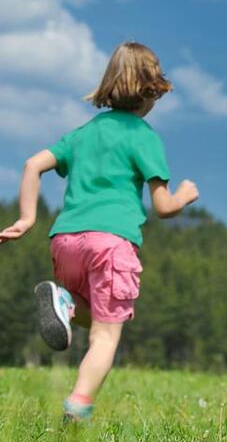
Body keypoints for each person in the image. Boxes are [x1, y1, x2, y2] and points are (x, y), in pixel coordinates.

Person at [0, 42, 200, 421]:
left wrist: (26, 219)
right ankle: (79, 403)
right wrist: (186, 195)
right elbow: (163, 207)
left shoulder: (83, 133)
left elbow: (31, 164)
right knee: (106, 337)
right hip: (110, 245)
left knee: (109, 318)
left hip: (65, 242)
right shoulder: (144, 136)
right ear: (151, 91)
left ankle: (66, 301)